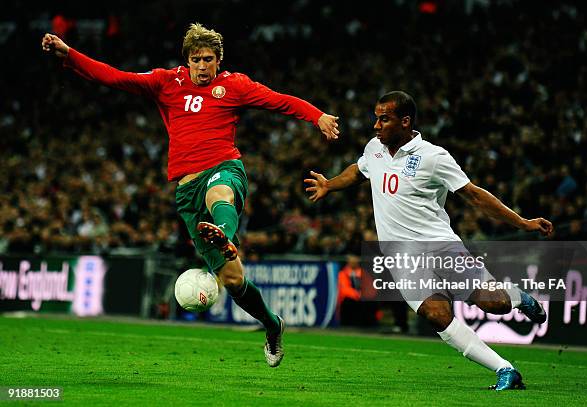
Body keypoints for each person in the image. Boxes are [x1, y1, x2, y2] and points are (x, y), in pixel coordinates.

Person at [42, 23, 340, 368]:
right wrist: (69, 54)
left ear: (219, 60)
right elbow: (114, 77)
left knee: (221, 193)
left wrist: (316, 116)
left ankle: (225, 235)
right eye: (196, 59)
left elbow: (280, 101)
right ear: (187, 60)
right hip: (186, 191)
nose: (202, 66)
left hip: (223, 167)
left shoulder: (235, 85)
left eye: (209, 59)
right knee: (233, 280)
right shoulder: (166, 82)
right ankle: (273, 325)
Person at [305, 91, 553, 390]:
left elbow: (474, 195)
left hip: (441, 246)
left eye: (384, 119)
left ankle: (518, 298)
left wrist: (522, 222)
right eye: (376, 118)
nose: (376, 125)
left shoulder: (434, 157)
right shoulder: (374, 149)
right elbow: (358, 172)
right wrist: (330, 185)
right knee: (436, 315)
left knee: (494, 303)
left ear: (405, 121)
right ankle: (505, 369)